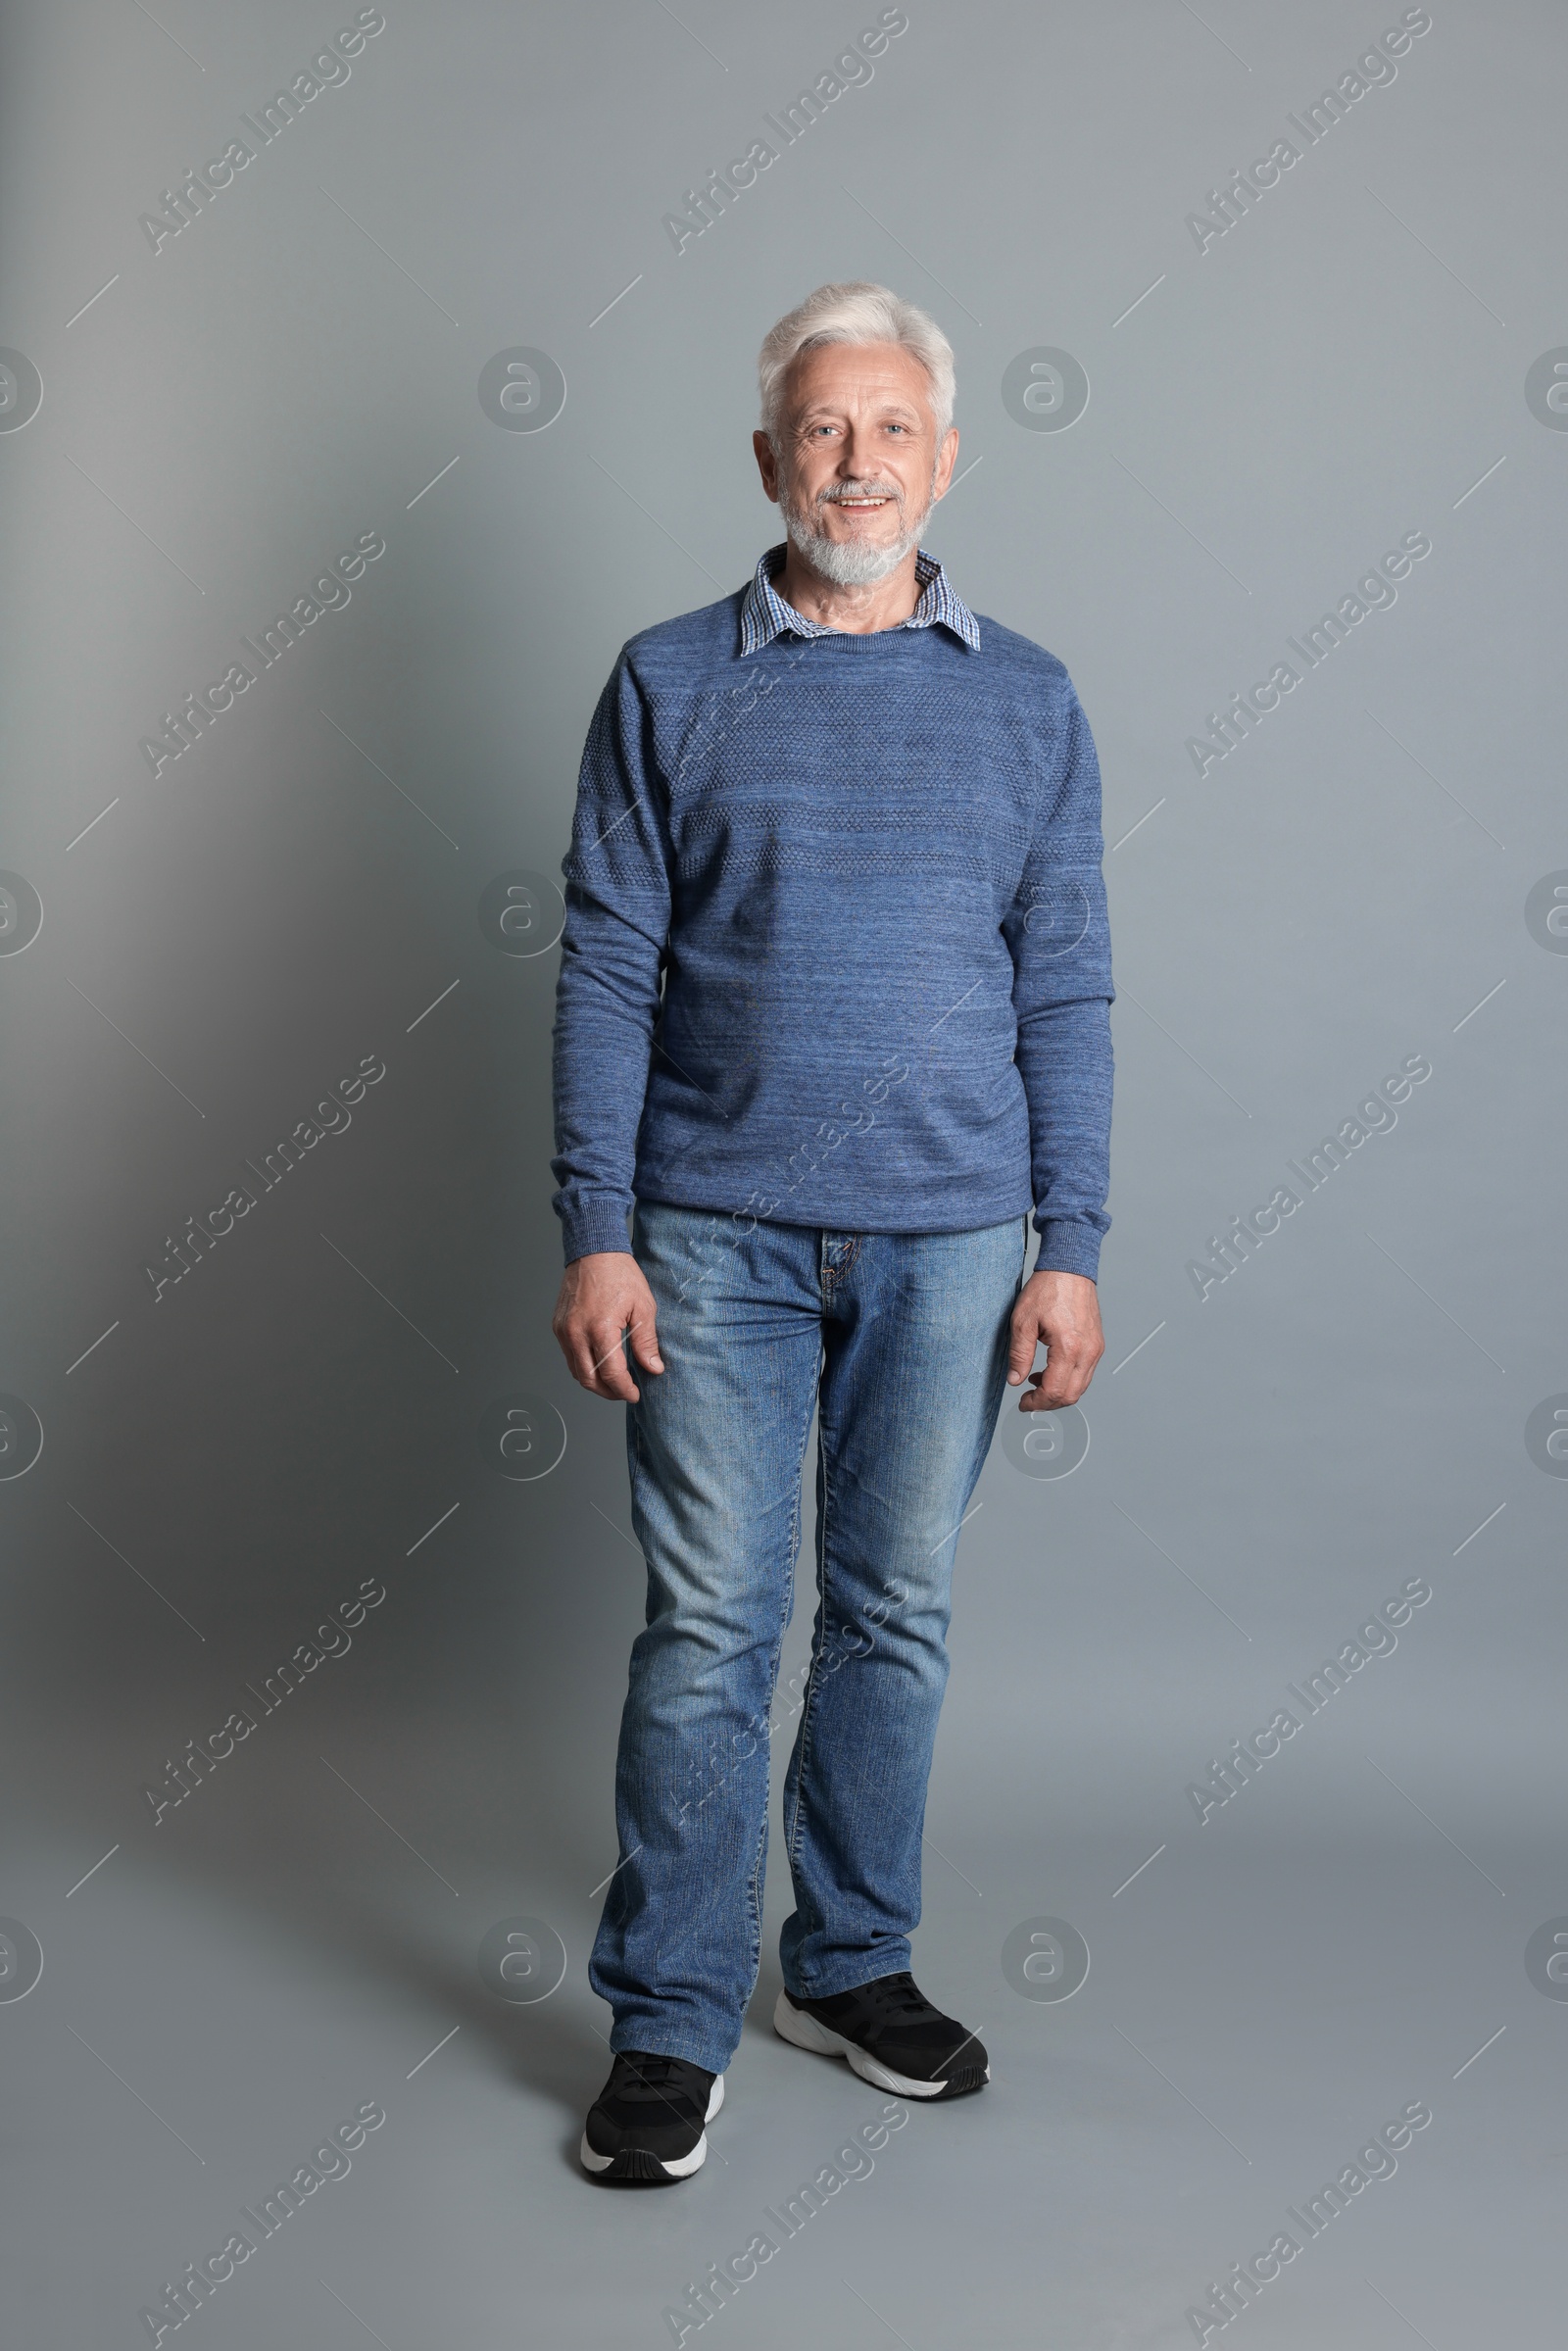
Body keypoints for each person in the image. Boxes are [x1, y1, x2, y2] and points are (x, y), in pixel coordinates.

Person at [550, 280, 1113, 2183]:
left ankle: (848, 1961)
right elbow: (610, 965)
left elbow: (1065, 987)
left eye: (890, 430)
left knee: (894, 1613)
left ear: (943, 456)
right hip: (705, 1234)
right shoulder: (666, 680)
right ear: (767, 458)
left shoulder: (1023, 697)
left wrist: (1070, 1241)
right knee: (707, 1625)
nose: (855, 462)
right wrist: (596, 1227)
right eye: (820, 427)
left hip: (954, 1243)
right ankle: (670, 2012)